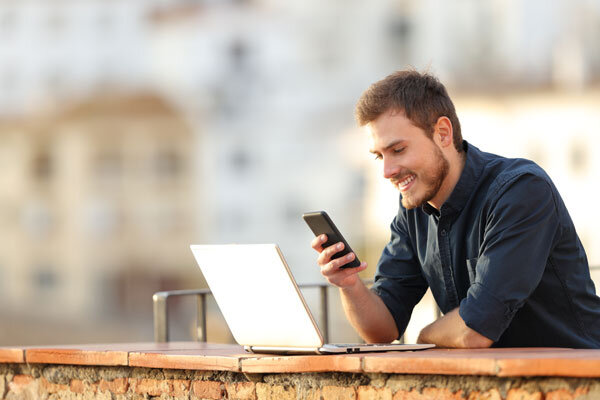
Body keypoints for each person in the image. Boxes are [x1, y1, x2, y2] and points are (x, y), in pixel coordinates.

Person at [311, 69, 600, 348]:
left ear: (443, 133)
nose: (387, 171)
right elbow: (382, 329)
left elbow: (475, 330)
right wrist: (349, 284)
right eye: (379, 156)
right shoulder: (414, 208)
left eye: (398, 150)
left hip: (577, 379)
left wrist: (424, 339)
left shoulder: (521, 191)